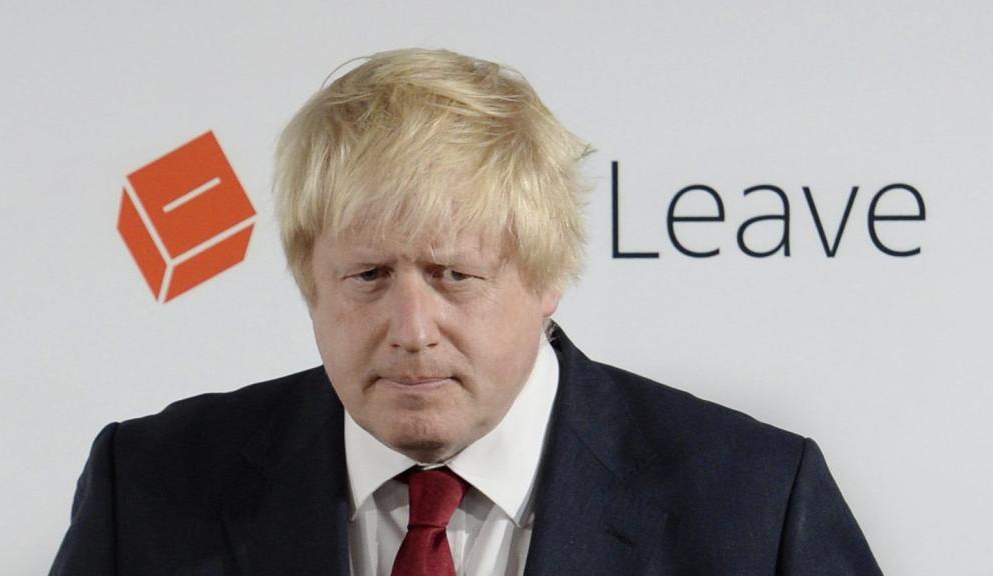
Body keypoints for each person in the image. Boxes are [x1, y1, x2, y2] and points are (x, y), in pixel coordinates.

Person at [50, 48, 882, 575]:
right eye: (369, 275)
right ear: (310, 278)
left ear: (549, 279)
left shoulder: (757, 508)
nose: (412, 330)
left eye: (454, 275)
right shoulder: (150, 488)